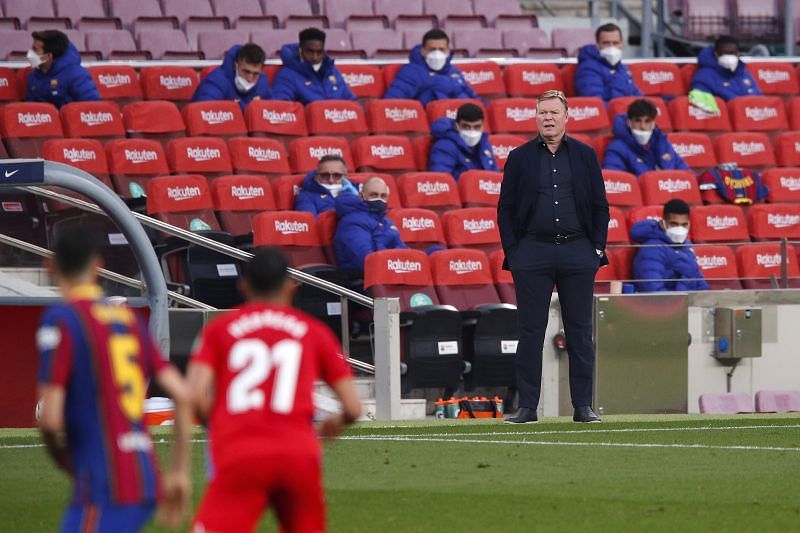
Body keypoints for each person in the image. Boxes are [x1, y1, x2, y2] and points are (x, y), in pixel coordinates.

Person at [186, 247, 361, 533]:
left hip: (241, 453)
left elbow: (194, 395)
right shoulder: (314, 331)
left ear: (243, 286)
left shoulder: (221, 329)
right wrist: (335, 422)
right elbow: (353, 408)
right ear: (289, 287)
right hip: (298, 453)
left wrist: (217, 422)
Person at [36, 225, 191, 532]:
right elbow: (183, 395)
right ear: (98, 265)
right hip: (142, 473)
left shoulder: (62, 319)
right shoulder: (128, 320)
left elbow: (50, 419)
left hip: (105, 480)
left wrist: (64, 460)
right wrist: (179, 473)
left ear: (50, 266)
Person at [497, 90, 609, 424]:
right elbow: (506, 209)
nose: (547, 118)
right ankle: (527, 407)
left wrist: (596, 249)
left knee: (579, 331)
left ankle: (583, 405)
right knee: (530, 332)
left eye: (553, 112)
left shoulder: (586, 156)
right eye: (542, 112)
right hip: (532, 251)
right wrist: (514, 253)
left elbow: (600, 205)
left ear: (566, 117)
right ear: (536, 117)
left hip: (578, 251)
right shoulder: (519, 158)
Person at [631, 199, 709, 293]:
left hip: (689, 304)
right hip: (661, 306)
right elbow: (654, 294)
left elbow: (702, 286)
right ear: (663, 223)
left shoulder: (687, 247)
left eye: (684, 225)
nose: (679, 229)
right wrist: (686, 280)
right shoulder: (651, 250)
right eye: (674, 224)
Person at [384, 29, 478, 106]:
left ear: (448, 51)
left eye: (441, 50)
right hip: (435, 124)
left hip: (466, 121)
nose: (437, 54)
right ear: (423, 51)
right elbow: (391, 103)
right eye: (432, 49)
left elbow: (473, 96)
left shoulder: (455, 72)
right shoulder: (412, 72)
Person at [333, 177, 407, 272]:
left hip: (391, 273)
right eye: (374, 195)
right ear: (361, 196)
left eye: (383, 196)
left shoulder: (387, 222)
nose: (379, 199)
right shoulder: (351, 222)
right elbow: (366, 261)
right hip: (362, 280)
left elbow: (404, 250)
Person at [603, 99, 690, 176]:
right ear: (629, 123)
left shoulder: (663, 143)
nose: (643, 126)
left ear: (653, 123)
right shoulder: (617, 148)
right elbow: (616, 181)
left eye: (647, 121)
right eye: (638, 121)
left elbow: (686, 173)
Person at [271, 27, 357, 104]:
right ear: (300, 51)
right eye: (310, 51)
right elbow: (281, 108)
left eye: (319, 52)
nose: (315, 57)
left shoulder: (332, 71)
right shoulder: (286, 75)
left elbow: (352, 101)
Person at [25, 30, 100, 108]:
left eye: (35, 50)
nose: (30, 53)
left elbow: (93, 108)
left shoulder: (76, 75)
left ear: (48, 56)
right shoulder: (32, 77)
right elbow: (31, 111)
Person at [192, 43, 272, 112]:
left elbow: (273, 111)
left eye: (255, 74)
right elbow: (204, 111)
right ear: (236, 65)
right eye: (246, 72)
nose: (250, 78)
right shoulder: (216, 81)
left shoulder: (262, 82)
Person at [429, 103, 499, 180]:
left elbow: (494, 176)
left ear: (483, 127)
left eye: (477, 127)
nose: (472, 131)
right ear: (457, 126)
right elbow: (442, 181)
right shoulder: (445, 146)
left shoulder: (485, 145)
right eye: (466, 127)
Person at [575, 23, 641, 102]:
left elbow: (636, 95)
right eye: (606, 43)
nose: (611, 47)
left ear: (621, 45)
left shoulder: (622, 68)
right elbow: (596, 103)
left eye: (615, 43)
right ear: (597, 46)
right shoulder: (588, 69)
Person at [691, 35, 761, 101]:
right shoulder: (704, 76)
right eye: (724, 53)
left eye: (732, 53)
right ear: (716, 54)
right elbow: (702, 103)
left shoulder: (743, 73)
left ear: (738, 54)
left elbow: (758, 96)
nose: (728, 56)